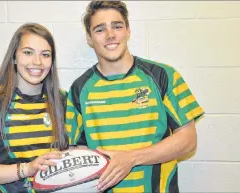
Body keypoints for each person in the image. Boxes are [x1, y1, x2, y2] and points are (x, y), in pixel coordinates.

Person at [65, 1, 204, 192]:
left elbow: (189, 140)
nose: (110, 34)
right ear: (89, 38)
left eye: (117, 26)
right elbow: (74, 151)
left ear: (128, 30)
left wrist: (131, 158)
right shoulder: (79, 89)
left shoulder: (163, 76)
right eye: (99, 29)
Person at [0, 23, 68, 193]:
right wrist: (27, 169)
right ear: (14, 57)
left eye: (45, 55)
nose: (37, 62)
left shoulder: (64, 101)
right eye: (28, 52)